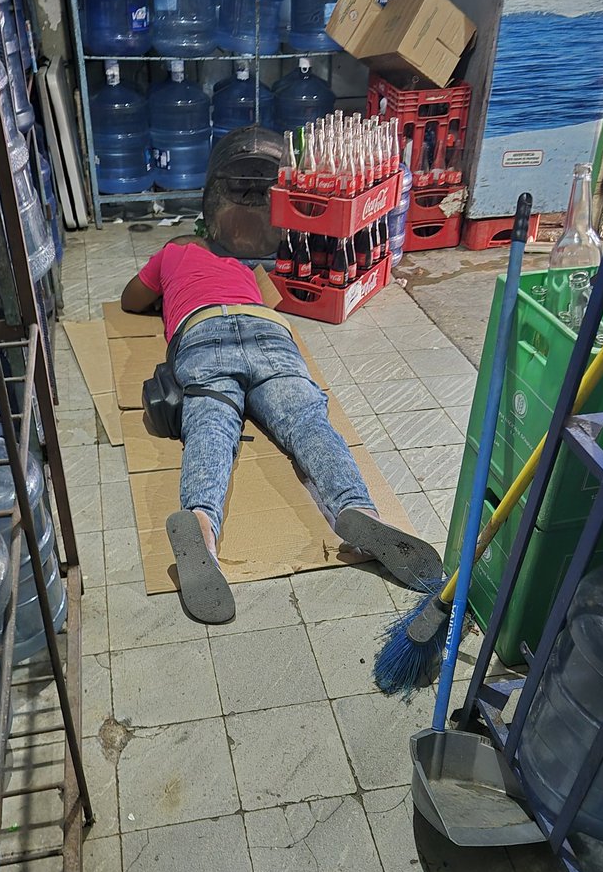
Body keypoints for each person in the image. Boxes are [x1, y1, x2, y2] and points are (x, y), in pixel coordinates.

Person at [121, 236, 441, 623]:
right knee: (307, 422)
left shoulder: (171, 254)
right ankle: (359, 508)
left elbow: (130, 300)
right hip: (269, 331)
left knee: (210, 427)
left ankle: (202, 525)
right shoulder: (239, 269)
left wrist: (163, 294)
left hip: (204, 333)